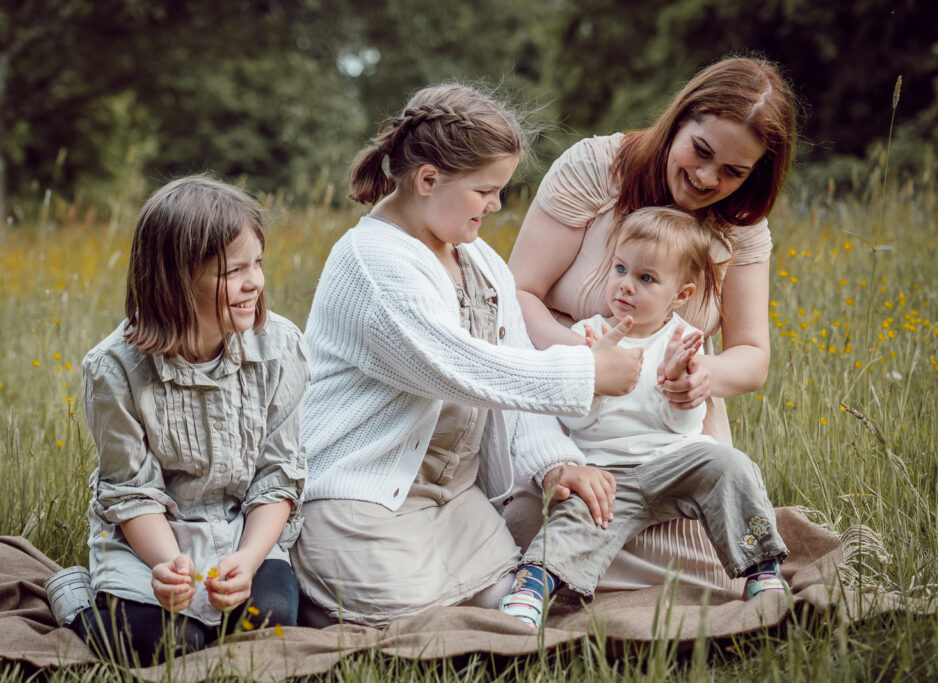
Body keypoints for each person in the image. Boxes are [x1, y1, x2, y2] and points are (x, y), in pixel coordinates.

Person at [290, 83, 644, 628]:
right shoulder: (370, 263)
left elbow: (513, 376)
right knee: (414, 620)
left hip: (453, 504)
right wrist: (585, 371)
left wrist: (555, 463)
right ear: (428, 179)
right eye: (486, 191)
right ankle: (317, 589)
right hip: (360, 501)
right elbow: (460, 369)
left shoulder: (477, 257)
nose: (497, 206)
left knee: (514, 606)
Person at [505, 56, 797, 591]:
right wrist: (581, 358)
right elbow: (516, 293)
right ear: (678, 120)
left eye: (733, 171)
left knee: (715, 574)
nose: (708, 178)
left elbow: (752, 354)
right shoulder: (596, 167)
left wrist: (703, 376)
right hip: (563, 412)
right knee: (537, 522)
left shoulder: (743, 225)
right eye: (701, 151)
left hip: (670, 435)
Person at [500, 207, 789, 628]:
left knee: (731, 465)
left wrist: (677, 387)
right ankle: (533, 586)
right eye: (620, 268)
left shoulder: (682, 341)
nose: (626, 286)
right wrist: (593, 378)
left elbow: (684, 427)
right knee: (576, 513)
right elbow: (577, 423)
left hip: (674, 461)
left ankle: (760, 569)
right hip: (607, 470)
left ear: (681, 294)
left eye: (646, 278)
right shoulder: (589, 334)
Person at [60, 175, 308, 664]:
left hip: (240, 529)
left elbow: (278, 475)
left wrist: (250, 557)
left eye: (257, 262)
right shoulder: (114, 369)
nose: (254, 281)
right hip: (147, 542)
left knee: (271, 618)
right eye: (232, 270)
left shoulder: (280, 347)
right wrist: (167, 566)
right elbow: (132, 491)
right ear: (175, 280)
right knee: (165, 644)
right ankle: (75, 600)